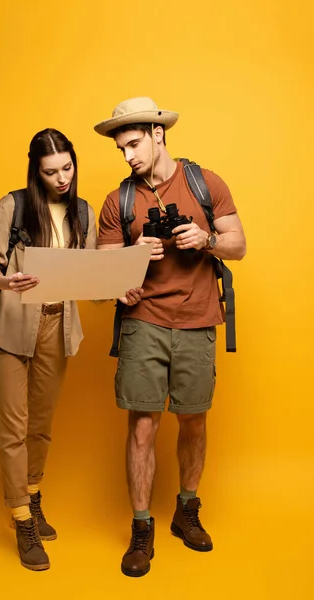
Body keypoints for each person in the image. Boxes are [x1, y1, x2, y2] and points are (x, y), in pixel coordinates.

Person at [95, 97, 247, 577]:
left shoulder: (205, 182)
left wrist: (205, 240)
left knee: (194, 421)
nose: (128, 157)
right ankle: (142, 527)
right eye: (121, 149)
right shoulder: (117, 201)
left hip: (199, 318)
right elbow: (101, 279)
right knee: (142, 424)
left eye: (134, 144)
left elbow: (239, 245)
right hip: (144, 321)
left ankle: (186, 509)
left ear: (159, 135)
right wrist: (129, 260)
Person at [0, 128, 97, 571]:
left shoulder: (81, 211)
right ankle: (21, 518)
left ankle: (33, 494)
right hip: (13, 325)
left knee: (41, 425)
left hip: (59, 325)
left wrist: (120, 282)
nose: (62, 177)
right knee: (14, 427)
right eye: (51, 171)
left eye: (67, 167)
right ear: (36, 170)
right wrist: (5, 280)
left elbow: (88, 276)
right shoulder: (14, 205)